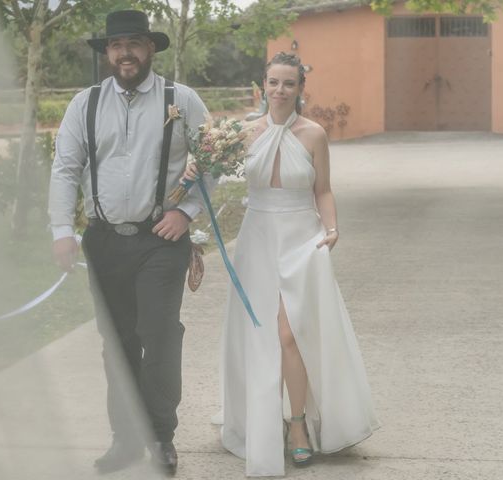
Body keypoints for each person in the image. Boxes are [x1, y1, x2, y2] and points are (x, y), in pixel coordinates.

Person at [184, 52, 380, 476]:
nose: (280, 90)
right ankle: (262, 419)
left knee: (291, 333)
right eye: (273, 82)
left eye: (288, 83)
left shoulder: (314, 135)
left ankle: (296, 425)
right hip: (256, 239)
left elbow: (323, 190)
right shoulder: (240, 134)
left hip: (300, 238)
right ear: (263, 86)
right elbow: (207, 174)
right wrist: (194, 167)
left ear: (300, 89)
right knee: (261, 334)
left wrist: (332, 228)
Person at [48, 10, 209, 476]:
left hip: (160, 239)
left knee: (158, 337)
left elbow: (211, 160)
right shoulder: (86, 103)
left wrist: (186, 211)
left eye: (134, 43)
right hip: (103, 242)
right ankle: (125, 439)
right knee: (116, 346)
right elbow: (65, 168)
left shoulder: (182, 100)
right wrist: (62, 231)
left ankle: (161, 437)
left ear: (151, 49)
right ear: (107, 53)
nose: (125, 53)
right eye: (117, 46)